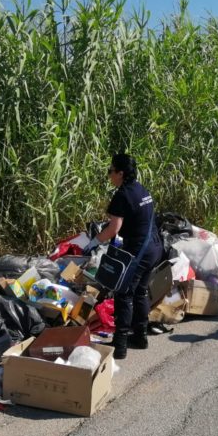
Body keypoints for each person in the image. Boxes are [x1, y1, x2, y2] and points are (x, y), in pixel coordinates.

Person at [84, 154, 162, 360]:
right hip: (154, 247)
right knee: (141, 291)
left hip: (139, 251)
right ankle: (140, 336)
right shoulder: (141, 190)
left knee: (124, 293)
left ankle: (119, 346)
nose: (109, 175)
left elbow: (114, 228)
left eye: (111, 171)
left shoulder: (123, 195)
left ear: (121, 173)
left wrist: (93, 242)